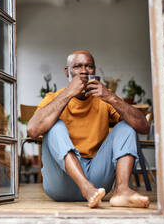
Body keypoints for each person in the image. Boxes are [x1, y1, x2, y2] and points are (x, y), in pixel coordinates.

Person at [27, 50, 150, 208]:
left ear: (94, 70)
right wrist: (69, 93)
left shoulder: (104, 98)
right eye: (77, 66)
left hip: (97, 181)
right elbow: (32, 130)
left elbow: (143, 127)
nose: (84, 71)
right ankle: (85, 188)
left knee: (127, 125)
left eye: (89, 66)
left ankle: (122, 191)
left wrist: (110, 97)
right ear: (67, 72)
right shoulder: (53, 98)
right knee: (53, 125)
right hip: (61, 184)